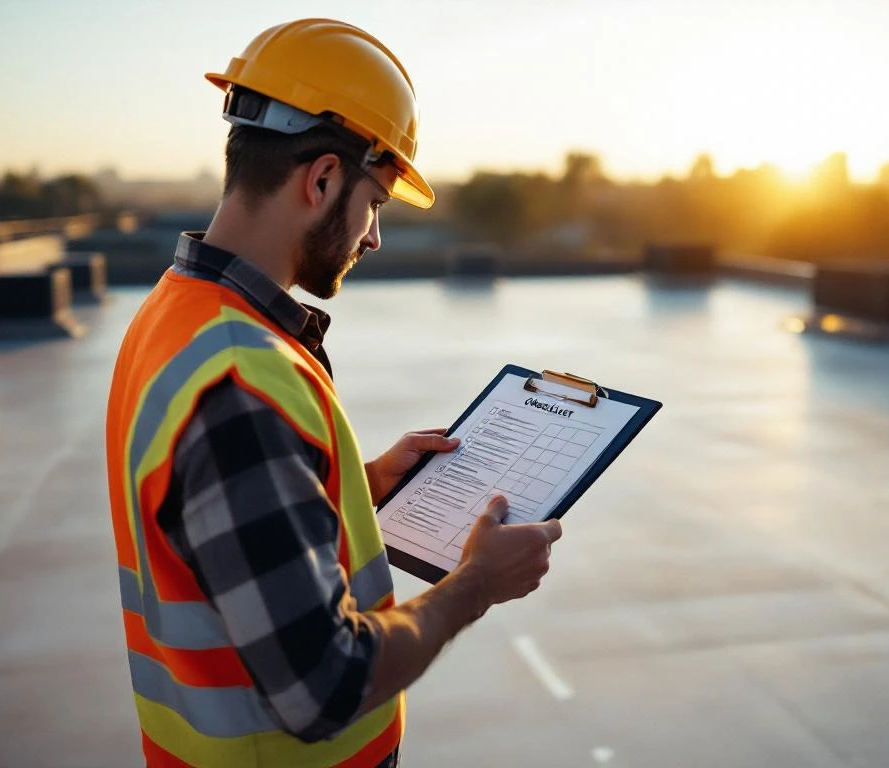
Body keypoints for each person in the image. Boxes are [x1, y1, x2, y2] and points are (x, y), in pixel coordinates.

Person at [104, 18, 562, 768]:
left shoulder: (176, 311)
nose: (374, 236)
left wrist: (367, 483)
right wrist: (476, 584)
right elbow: (325, 685)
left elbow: (219, 531)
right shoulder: (239, 381)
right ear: (321, 179)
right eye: (375, 201)